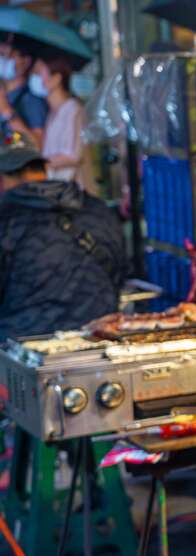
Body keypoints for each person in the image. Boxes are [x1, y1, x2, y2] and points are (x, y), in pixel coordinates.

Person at [0, 132, 125, 338]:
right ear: (44, 169)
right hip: (96, 340)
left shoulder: (6, 219)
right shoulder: (96, 207)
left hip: (23, 347)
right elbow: (120, 273)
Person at [32, 56, 95, 193]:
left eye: (38, 73)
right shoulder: (52, 113)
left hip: (72, 194)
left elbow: (73, 156)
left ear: (56, 78)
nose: (35, 78)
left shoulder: (72, 109)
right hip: (56, 191)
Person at [0, 44, 47, 148]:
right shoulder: (5, 92)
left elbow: (36, 144)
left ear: (25, 61)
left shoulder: (31, 101)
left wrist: (7, 112)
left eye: (4, 55)